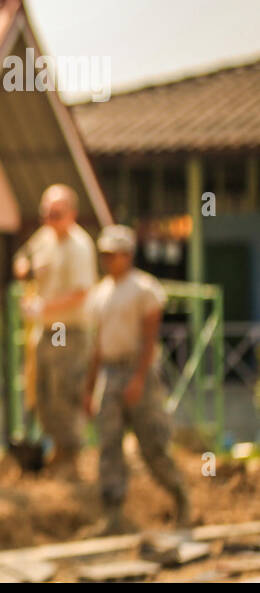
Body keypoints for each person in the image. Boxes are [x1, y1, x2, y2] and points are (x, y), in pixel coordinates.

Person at [84, 225, 191, 533]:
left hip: (137, 371)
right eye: (104, 255)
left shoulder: (144, 289)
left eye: (113, 254)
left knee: (152, 444)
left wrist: (140, 378)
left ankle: (180, 498)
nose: (108, 260)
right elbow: (97, 345)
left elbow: (149, 339)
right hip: (110, 372)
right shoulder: (100, 293)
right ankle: (113, 515)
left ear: (128, 255)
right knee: (109, 445)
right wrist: (89, 387)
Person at [12, 184, 97, 479]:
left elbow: (82, 292)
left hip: (69, 329)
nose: (49, 219)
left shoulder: (79, 245)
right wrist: (24, 267)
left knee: (65, 390)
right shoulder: (44, 238)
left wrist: (44, 306)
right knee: (43, 391)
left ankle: (71, 454)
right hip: (46, 329)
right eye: (45, 213)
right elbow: (24, 255)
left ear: (72, 214)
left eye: (56, 213)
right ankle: (56, 450)